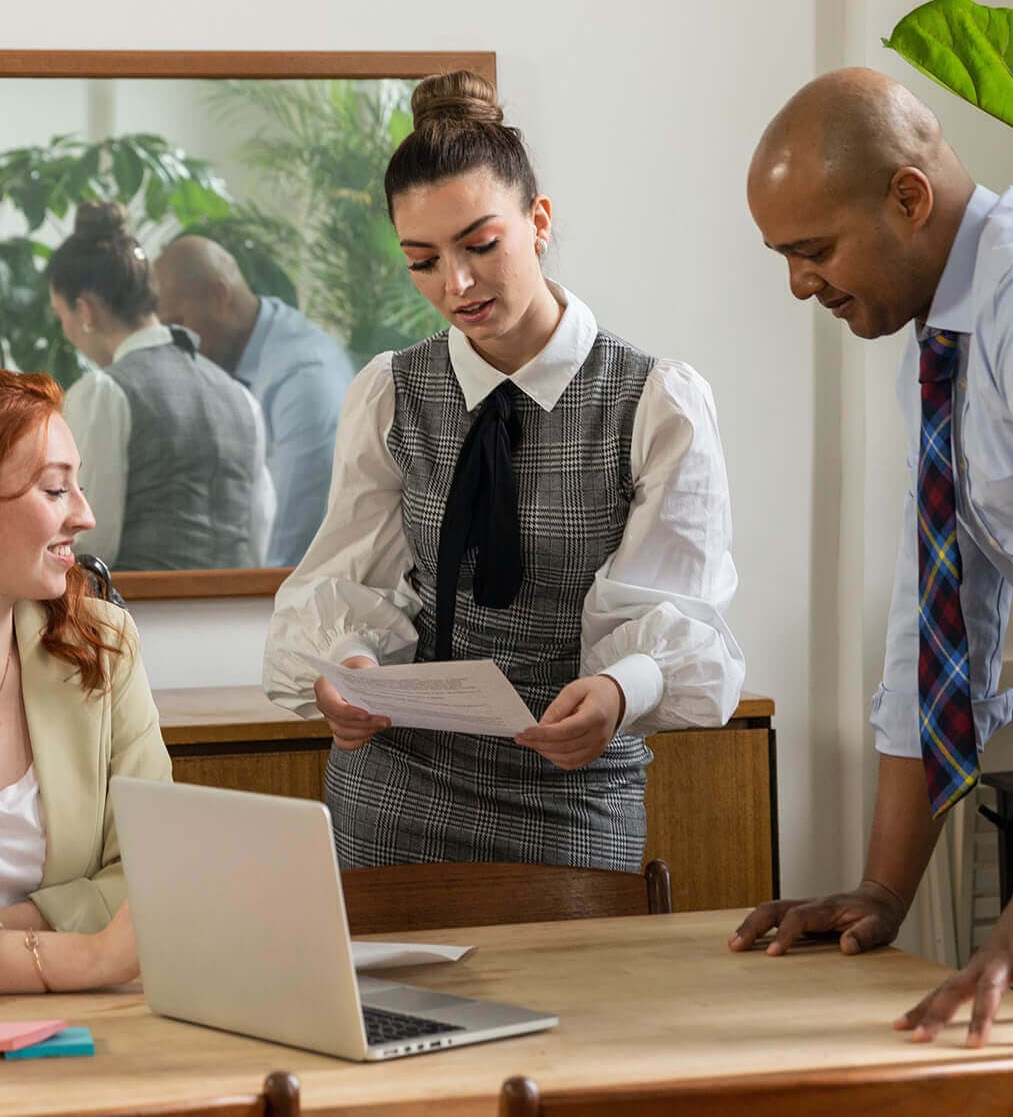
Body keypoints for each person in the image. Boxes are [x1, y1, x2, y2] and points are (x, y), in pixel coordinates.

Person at [263, 70, 745, 872]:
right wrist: (348, 670)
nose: (454, 284)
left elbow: (684, 617)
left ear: (539, 221)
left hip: (572, 796)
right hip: (393, 791)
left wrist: (623, 690)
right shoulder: (391, 391)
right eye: (422, 261)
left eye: (480, 245)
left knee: (576, 1001)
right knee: (377, 1003)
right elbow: (349, 581)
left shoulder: (656, 401)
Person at [736, 66, 1013, 1047]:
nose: (801, 282)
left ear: (908, 197)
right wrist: (884, 887)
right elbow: (935, 626)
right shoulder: (942, 350)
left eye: (812, 250)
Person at [0, 369, 172, 991]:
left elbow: (152, 870)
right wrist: (87, 956)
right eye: (54, 490)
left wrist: (14, 933)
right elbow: (115, 937)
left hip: (88, 1019)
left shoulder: (102, 644)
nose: (86, 515)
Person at [47, 202, 275, 571]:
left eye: (62, 316)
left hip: (136, 620)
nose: (66, 331)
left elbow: (88, 543)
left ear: (85, 311)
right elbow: (257, 536)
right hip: (235, 620)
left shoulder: (103, 393)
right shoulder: (239, 397)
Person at [153, 235, 356, 567]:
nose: (176, 343)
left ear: (219, 297)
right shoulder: (225, 362)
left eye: (177, 324)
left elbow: (289, 554)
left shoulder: (303, 381)